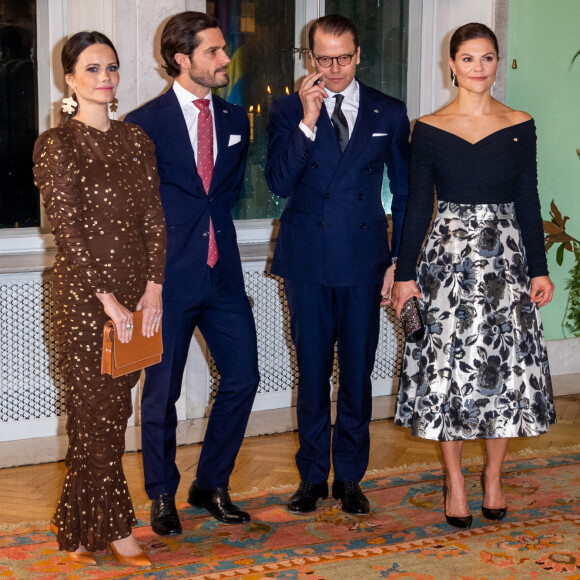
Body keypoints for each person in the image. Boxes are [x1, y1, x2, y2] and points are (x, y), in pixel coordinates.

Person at [392, 22, 555, 529]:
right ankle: (456, 482)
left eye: (487, 58)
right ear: (452, 66)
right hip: (447, 262)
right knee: (448, 370)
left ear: (497, 63)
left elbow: (528, 197)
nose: (478, 67)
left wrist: (540, 267)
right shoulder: (430, 127)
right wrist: (404, 275)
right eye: (468, 58)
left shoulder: (520, 123)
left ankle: (494, 478)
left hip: (507, 261)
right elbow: (418, 204)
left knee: (504, 370)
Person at [266, 14, 410, 515]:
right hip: (306, 260)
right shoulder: (286, 110)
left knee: (356, 373)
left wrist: (399, 262)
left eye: (343, 58)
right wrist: (307, 120)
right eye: (323, 59)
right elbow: (280, 184)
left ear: (357, 55)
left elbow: (407, 195)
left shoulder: (388, 112)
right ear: (310, 59)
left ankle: (349, 477)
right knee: (310, 373)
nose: (333, 68)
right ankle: (310, 478)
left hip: (364, 261)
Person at [33, 31, 166, 566]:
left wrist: (153, 286)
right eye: (91, 69)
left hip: (139, 297)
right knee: (97, 416)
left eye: (110, 67)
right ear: (69, 79)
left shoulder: (136, 139)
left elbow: (154, 218)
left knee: (114, 412)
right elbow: (67, 230)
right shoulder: (56, 144)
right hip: (86, 300)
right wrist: (108, 299)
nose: (104, 77)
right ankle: (116, 527)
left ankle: (81, 524)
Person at [125, 11, 259, 534]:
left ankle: (211, 484)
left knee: (244, 377)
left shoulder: (233, 120)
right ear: (182, 60)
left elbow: (223, 198)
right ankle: (163, 494)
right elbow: (136, 212)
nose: (225, 59)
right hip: (165, 281)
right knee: (161, 394)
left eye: (223, 49)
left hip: (223, 275)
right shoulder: (142, 125)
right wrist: (143, 284)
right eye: (213, 51)